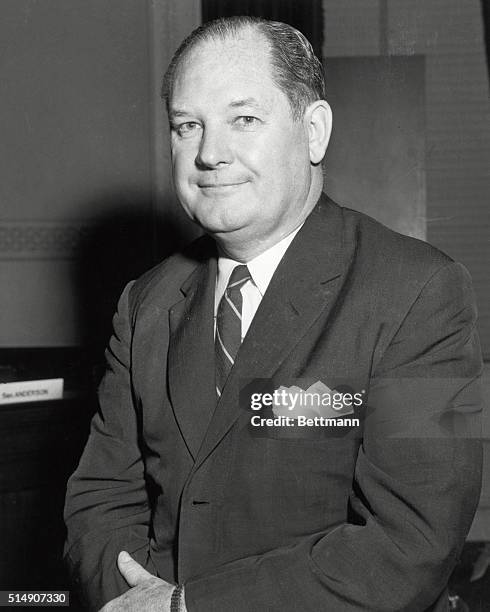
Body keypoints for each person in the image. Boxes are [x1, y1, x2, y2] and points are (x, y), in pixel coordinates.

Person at [64, 16, 483, 611]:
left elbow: (415, 539)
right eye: (188, 126)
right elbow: (100, 502)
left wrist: (190, 605)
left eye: (244, 119)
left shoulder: (423, 292)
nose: (209, 153)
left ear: (313, 131)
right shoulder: (146, 303)